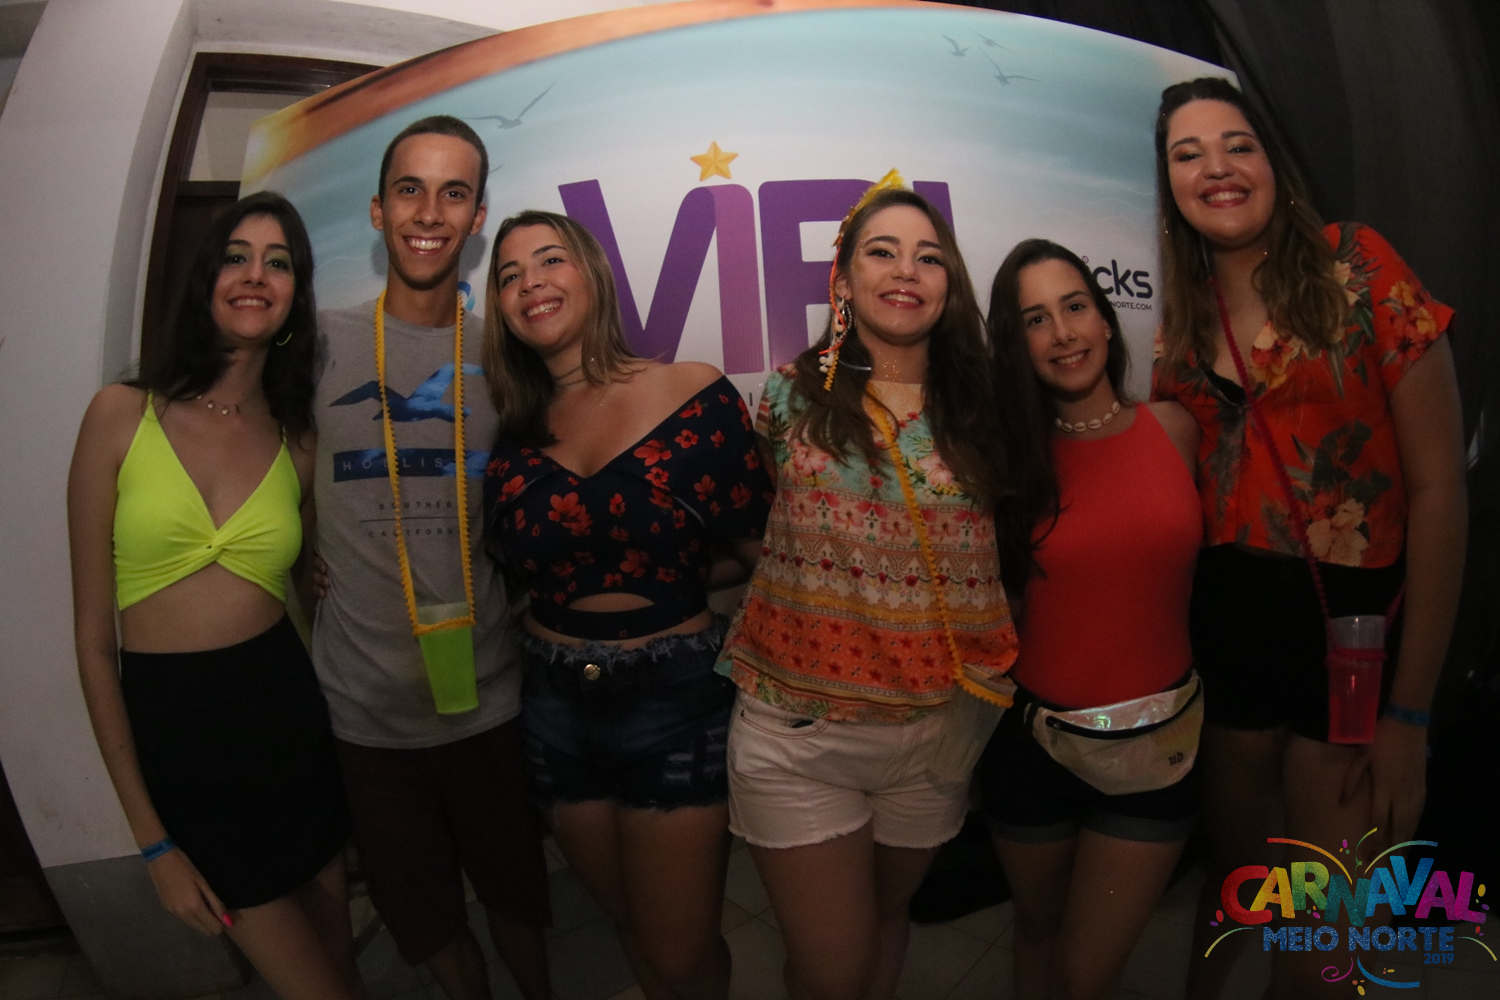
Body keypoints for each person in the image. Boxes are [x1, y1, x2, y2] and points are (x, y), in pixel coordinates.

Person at [1149, 78, 1467, 999]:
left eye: (1236, 144)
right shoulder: (1183, 320)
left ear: (1273, 163)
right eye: (1187, 154)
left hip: (1351, 632)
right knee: (1238, 881)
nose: (1216, 167)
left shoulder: (1358, 265)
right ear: (1170, 187)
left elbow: (1441, 492)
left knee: (1324, 928)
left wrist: (1410, 715)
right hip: (1232, 633)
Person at [717, 180, 1017, 1000]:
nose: (906, 270)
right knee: (834, 968)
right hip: (801, 730)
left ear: (949, 284)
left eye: (929, 257)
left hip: (939, 731)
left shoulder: (987, 406)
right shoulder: (789, 394)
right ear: (844, 279)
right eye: (882, 252)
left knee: (885, 926)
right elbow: (759, 522)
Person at [67, 192, 362, 1000]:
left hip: (289, 722)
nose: (255, 275)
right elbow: (93, 644)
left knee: (341, 961)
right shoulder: (120, 415)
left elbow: (305, 578)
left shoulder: (297, 438)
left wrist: (322, 577)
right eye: (237, 256)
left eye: (278, 263)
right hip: (184, 746)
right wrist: (153, 842)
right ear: (206, 280)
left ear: (295, 297)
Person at [481, 209, 774, 1000]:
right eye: (509, 274)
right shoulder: (508, 435)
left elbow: (761, 553)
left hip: (673, 700)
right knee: (628, 925)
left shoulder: (693, 392)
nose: (531, 282)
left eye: (550, 260)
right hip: (551, 703)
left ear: (592, 274)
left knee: (679, 950)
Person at [309, 117, 551, 1000]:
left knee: (519, 899)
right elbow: (269, 468)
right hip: (364, 714)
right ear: (378, 210)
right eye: (410, 189)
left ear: (478, 218)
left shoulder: (507, 353)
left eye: (454, 194)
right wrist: (299, 563)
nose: (429, 212)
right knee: (426, 921)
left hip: (488, 698)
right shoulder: (317, 344)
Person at [979, 238, 1201, 1000]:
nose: (1063, 332)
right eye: (1035, 320)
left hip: (1158, 749)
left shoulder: (1177, 429)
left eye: (1074, 306)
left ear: (1107, 319)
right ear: (1017, 346)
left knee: (1084, 975)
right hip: (1032, 747)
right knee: (1038, 932)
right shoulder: (1011, 463)